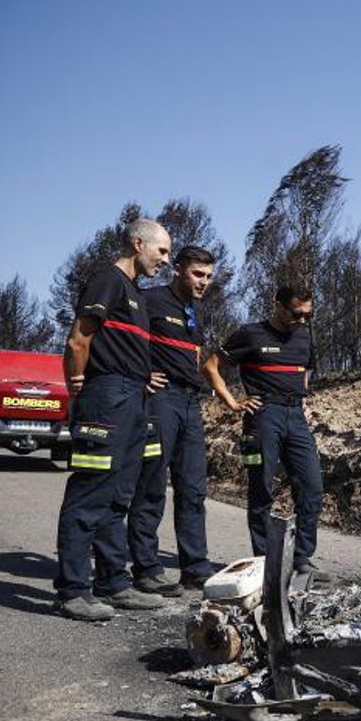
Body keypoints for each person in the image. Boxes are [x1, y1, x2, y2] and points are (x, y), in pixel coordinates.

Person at [54, 217, 172, 621]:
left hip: (134, 398)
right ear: (138, 243)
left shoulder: (136, 293)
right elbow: (78, 340)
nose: (166, 260)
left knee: (119, 495)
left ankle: (113, 583)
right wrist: (79, 389)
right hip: (107, 397)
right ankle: (72, 590)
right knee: (90, 492)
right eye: (162, 251)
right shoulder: (107, 280)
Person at [202, 286, 322, 574]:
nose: (302, 320)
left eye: (308, 315)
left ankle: (301, 558)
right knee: (262, 489)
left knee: (312, 487)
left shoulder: (305, 336)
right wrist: (232, 402)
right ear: (278, 306)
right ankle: (267, 560)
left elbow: (305, 370)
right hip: (263, 417)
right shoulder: (250, 334)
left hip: (296, 417)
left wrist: (301, 398)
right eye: (297, 314)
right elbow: (210, 366)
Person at [127, 246, 218, 596]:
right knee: (151, 484)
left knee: (193, 489)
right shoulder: (149, 299)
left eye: (208, 276)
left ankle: (195, 569)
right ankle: (147, 569)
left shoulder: (193, 311)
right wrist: (140, 374)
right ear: (178, 270)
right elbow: (120, 338)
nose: (204, 282)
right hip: (160, 400)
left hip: (190, 403)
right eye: (198, 274)